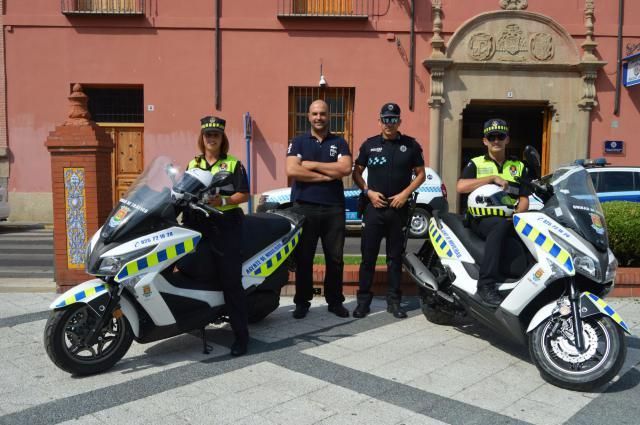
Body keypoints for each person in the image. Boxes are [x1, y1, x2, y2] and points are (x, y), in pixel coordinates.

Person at [352, 103, 426, 319]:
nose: (389, 123)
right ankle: (363, 302)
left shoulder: (411, 146)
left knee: (394, 258)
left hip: (398, 210)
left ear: (399, 122)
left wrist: (405, 194)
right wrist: (368, 193)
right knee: (368, 258)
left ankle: (394, 302)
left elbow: (420, 174)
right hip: (374, 209)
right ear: (379, 121)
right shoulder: (369, 145)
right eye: (386, 119)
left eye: (393, 119)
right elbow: (356, 173)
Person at [184, 115, 250, 356]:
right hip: (199, 225)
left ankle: (241, 337)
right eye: (207, 134)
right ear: (202, 138)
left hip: (226, 226)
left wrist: (222, 200)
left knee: (231, 282)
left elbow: (244, 194)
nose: (211, 138)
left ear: (223, 138)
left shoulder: (232, 164)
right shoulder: (193, 163)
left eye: (216, 134)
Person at [286, 99, 353, 319]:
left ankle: (335, 301)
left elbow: (345, 168)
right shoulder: (297, 142)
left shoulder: (340, 142)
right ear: (308, 116)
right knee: (304, 258)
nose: (318, 117)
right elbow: (292, 170)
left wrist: (312, 165)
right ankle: (302, 302)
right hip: (304, 207)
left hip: (334, 208)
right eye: (314, 113)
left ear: (329, 116)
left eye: (323, 113)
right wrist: (326, 176)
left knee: (335, 258)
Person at [456, 118, 529, 306]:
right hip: (481, 218)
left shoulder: (518, 166)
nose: (496, 140)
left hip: (510, 218)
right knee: (499, 227)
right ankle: (485, 285)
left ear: (507, 140)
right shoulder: (476, 163)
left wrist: (515, 216)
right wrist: (491, 178)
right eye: (492, 137)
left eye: (500, 136)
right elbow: (461, 186)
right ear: (485, 141)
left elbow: (524, 199)